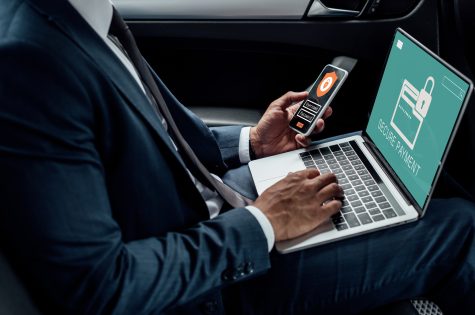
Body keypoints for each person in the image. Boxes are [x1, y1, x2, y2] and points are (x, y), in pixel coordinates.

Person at [0, 0, 474, 314]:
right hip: (210, 279)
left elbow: (158, 136)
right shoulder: (29, 59)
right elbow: (102, 290)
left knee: (385, 174)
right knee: (461, 225)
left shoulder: (80, 14)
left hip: (214, 209)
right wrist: (265, 223)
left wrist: (252, 145)